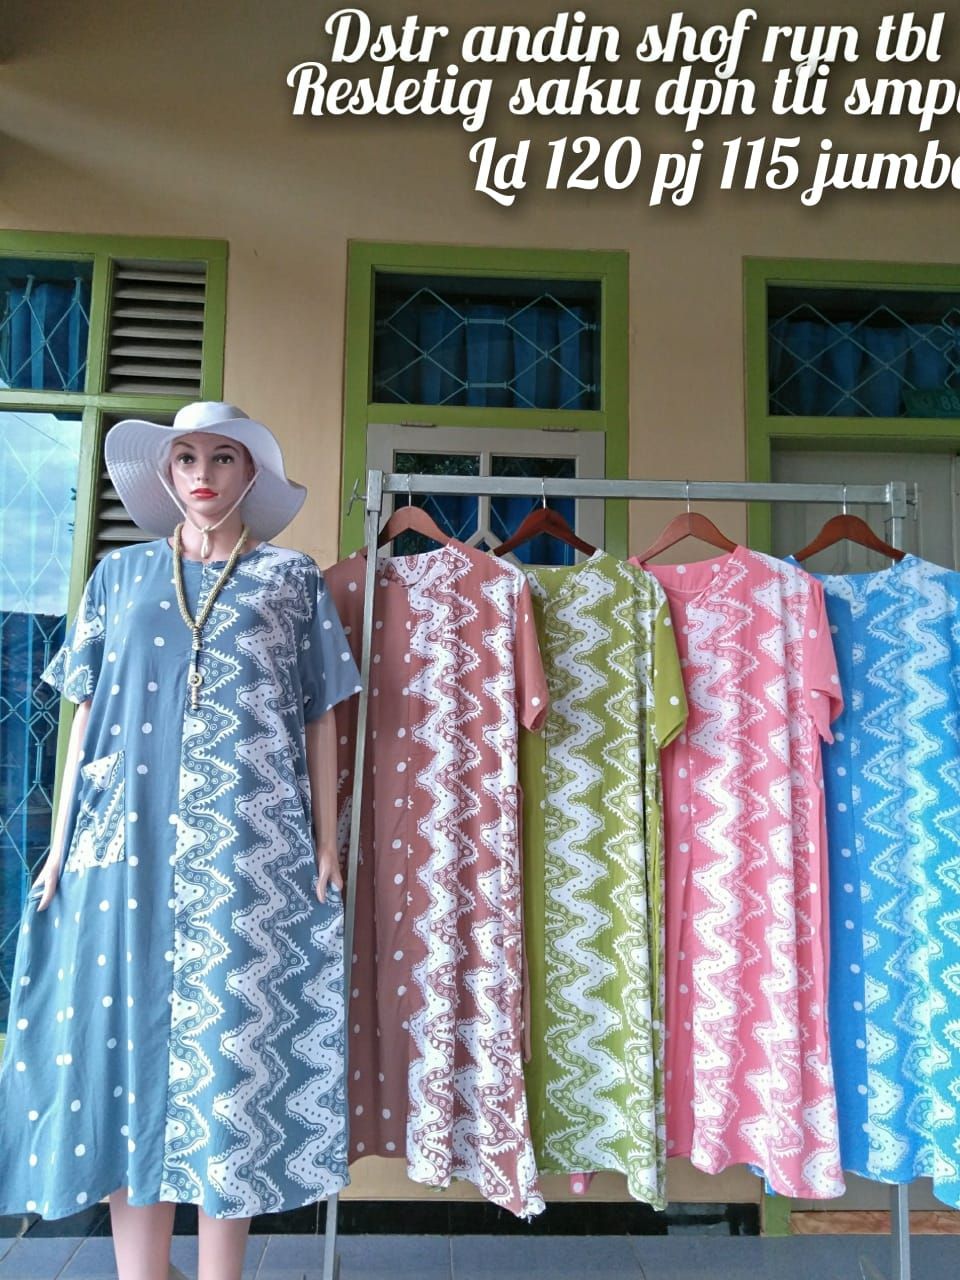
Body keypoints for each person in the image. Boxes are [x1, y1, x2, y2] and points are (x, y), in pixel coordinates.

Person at [0, 402, 361, 1280]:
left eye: (223, 457)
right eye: (186, 458)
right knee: (123, 1050)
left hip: (248, 845)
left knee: (228, 1062)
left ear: (250, 474)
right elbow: (82, 713)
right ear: (167, 475)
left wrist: (325, 839)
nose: (203, 474)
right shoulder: (118, 577)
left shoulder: (289, 579)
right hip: (120, 845)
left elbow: (320, 713)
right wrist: (60, 842)